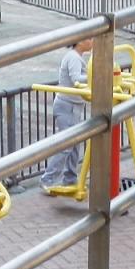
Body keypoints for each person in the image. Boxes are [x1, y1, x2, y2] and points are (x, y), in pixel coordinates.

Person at [40, 37, 94, 191]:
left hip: (74, 105)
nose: (92, 41)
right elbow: (76, 79)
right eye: (89, 38)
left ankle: (70, 178)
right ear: (80, 41)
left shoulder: (77, 57)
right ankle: (47, 179)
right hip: (67, 106)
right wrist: (94, 75)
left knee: (74, 144)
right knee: (67, 145)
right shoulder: (73, 58)